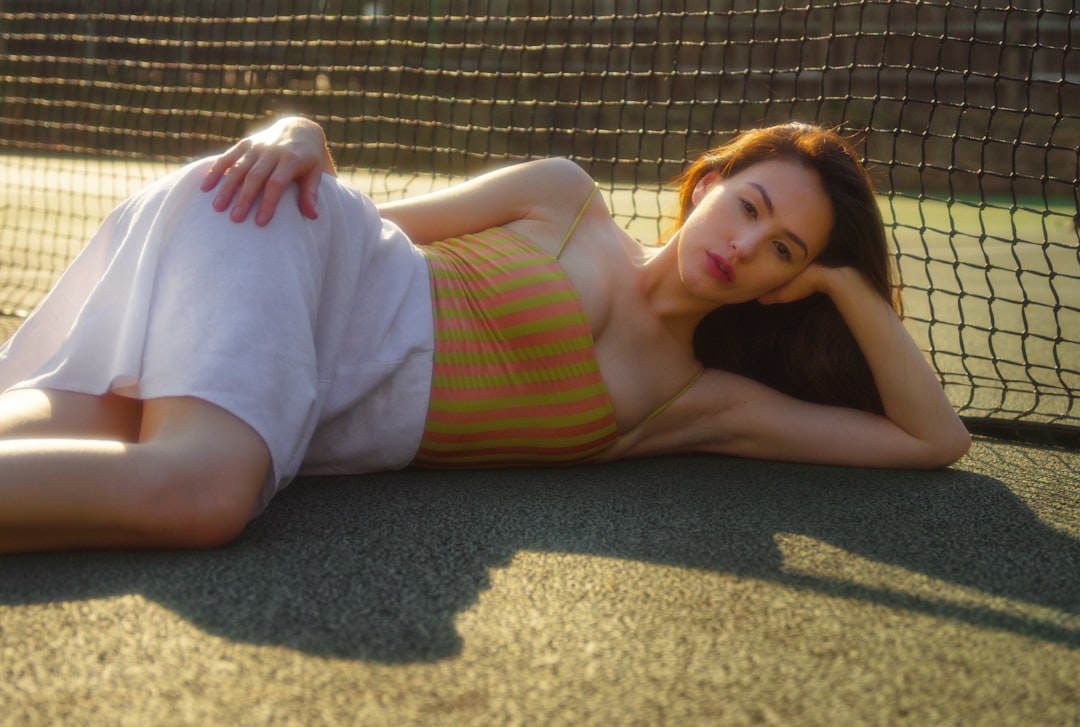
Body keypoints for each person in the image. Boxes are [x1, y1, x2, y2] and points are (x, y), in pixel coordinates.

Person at [0, 117, 970, 553]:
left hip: (283, 400)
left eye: (783, 249)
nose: (745, 243)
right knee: (205, 492)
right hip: (270, 246)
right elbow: (353, 218)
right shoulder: (564, 198)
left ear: (783, 288)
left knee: (97, 446)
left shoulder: (699, 403)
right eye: (749, 204)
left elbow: (932, 439)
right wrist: (296, 126)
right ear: (708, 182)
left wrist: (846, 283)